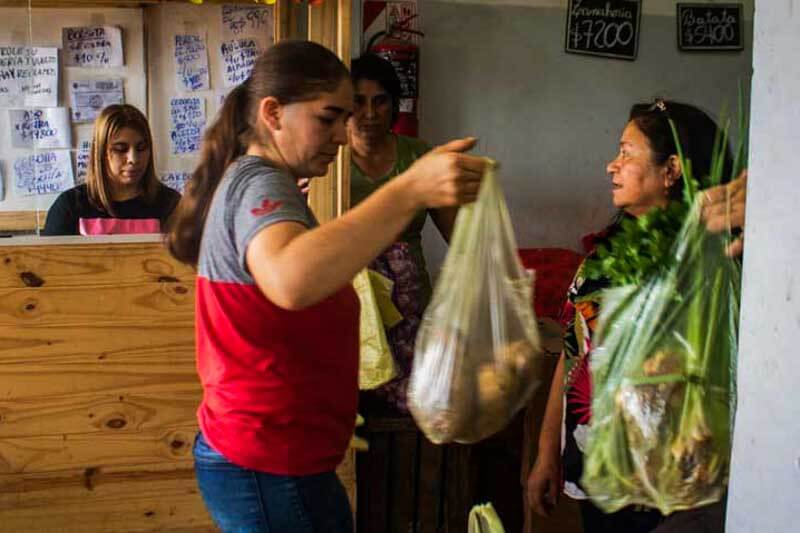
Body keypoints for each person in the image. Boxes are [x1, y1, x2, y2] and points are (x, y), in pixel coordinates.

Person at [165, 40, 485, 533]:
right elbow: (292, 281)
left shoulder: (267, 184)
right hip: (267, 461)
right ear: (273, 113)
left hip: (275, 457)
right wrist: (410, 189)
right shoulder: (260, 184)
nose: (342, 134)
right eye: (329, 118)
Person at [526, 100, 735, 533]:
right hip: (594, 466)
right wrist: (548, 452)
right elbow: (572, 354)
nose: (611, 165)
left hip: (662, 484)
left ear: (671, 169)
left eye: (626, 153)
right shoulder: (603, 256)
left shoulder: (703, 263)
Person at [348, 53, 458, 412]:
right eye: (358, 101)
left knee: (413, 406)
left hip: (409, 306)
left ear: (394, 106)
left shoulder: (418, 158)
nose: (369, 113)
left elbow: (459, 237)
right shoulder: (329, 161)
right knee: (355, 404)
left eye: (380, 101)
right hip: (350, 308)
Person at [42, 104, 180, 236]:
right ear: (101, 152)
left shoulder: (171, 204)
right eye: (121, 149)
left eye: (141, 148)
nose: (133, 159)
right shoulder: (70, 206)